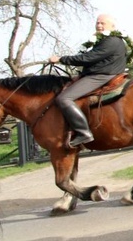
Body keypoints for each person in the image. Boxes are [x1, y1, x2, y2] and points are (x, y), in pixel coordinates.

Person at [48, 13, 128, 147]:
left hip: (101, 75)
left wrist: (61, 59)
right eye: (98, 23)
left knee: (63, 99)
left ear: (112, 26)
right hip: (100, 73)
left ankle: (83, 132)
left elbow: (88, 58)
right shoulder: (107, 40)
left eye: (103, 23)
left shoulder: (111, 41)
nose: (99, 25)